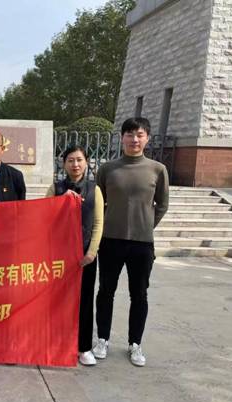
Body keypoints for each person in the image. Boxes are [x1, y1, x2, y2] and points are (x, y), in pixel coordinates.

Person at [92, 117, 169, 367]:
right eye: (129, 134)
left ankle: (135, 344)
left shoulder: (157, 169)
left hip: (142, 244)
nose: (134, 139)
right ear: (122, 137)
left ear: (147, 138)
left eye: (139, 134)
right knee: (106, 291)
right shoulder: (108, 169)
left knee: (139, 294)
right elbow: (98, 203)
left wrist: (146, 225)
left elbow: (162, 204)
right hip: (110, 241)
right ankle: (102, 339)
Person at [46, 145, 104, 366]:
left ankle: (84, 347)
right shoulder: (56, 188)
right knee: (57, 300)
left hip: (84, 257)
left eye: (79, 160)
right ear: (64, 164)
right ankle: (56, 344)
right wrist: (60, 201)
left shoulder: (94, 190)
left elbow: (98, 223)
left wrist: (91, 252)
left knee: (84, 301)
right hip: (59, 257)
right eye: (70, 160)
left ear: (86, 162)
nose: (75, 164)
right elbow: (44, 218)